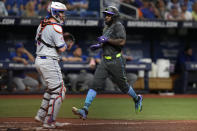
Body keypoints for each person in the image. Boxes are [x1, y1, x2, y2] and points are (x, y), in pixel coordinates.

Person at [72, 6, 143, 120]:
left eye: (109, 15)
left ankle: (137, 98)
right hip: (105, 60)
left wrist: (107, 40)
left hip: (116, 60)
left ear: (114, 17)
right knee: (95, 84)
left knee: (123, 86)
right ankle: (85, 110)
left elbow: (122, 41)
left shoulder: (118, 26)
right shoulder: (105, 27)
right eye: (106, 14)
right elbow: (106, 42)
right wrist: (99, 46)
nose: (106, 16)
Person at [34, 1, 72, 129]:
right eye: (61, 12)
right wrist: (67, 45)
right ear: (55, 12)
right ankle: (49, 121)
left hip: (39, 59)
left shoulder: (42, 24)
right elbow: (61, 49)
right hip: (49, 61)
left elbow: (39, 42)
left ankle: (40, 115)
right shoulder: (56, 27)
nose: (63, 15)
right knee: (60, 91)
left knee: (52, 89)